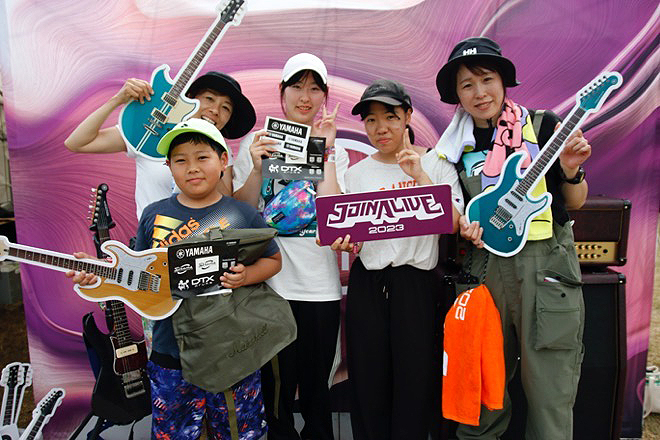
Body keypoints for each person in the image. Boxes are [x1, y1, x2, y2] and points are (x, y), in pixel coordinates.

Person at [69, 118, 281, 439]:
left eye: (202, 157)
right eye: (180, 160)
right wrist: (98, 273)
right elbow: (137, 276)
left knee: (237, 432)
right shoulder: (153, 215)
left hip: (233, 351)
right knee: (175, 433)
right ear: (168, 167)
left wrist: (246, 275)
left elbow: (273, 260)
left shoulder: (242, 214)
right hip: (170, 352)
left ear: (223, 160)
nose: (192, 167)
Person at [434, 36, 590, 439]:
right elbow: (452, 211)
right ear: (457, 95)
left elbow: (574, 202)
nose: (479, 93)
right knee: (481, 389)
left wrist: (571, 170)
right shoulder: (452, 148)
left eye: (487, 79)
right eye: (467, 85)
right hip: (484, 270)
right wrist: (462, 225)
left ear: (504, 81)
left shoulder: (544, 127)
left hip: (546, 268)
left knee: (550, 392)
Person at [330, 79, 463, 439]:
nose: (381, 128)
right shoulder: (356, 174)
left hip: (417, 285)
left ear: (407, 116)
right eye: (371, 120)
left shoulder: (436, 163)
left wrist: (419, 176)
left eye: (390, 116)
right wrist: (345, 241)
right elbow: (349, 232)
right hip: (368, 284)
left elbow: (453, 223)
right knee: (368, 380)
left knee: (415, 380)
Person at [232, 53, 348, 440]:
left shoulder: (335, 148)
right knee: (276, 392)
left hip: (320, 287)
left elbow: (334, 214)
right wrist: (256, 167)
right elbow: (241, 213)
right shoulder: (257, 143)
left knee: (317, 389)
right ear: (282, 92)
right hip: (270, 285)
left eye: (315, 88)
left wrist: (325, 151)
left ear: (325, 96)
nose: (305, 96)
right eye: (297, 86)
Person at [64, 71, 257, 219]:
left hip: (198, 248)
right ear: (190, 99)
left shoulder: (222, 151)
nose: (215, 110)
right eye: (209, 99)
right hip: (153, 243)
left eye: (225, 108)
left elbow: (225, 203)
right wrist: (118, 100)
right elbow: (78, 142)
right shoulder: (150, 133)